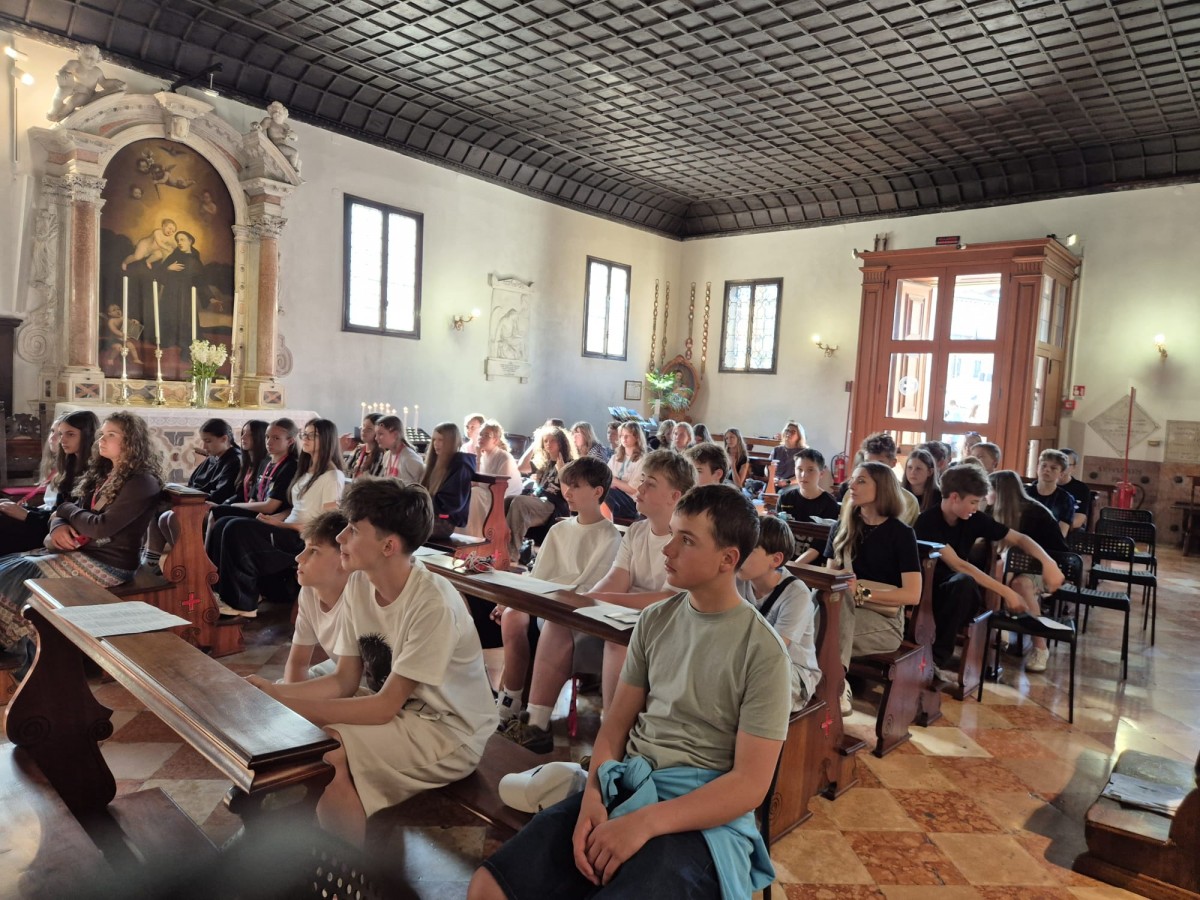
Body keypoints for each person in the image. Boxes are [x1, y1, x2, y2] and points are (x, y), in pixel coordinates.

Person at [470, 485, 788, 900]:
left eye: (686, 540)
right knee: (488, 887)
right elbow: (615, 726)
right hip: (627, 788)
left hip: (700, 815)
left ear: (728, 559)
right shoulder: (656, 620)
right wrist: (593, 798)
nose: (667, 549)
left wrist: (645, 823)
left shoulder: (762, 650)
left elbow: (749, 785)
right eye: (673, 534)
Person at [248, 479, 496, 846]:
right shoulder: (360, 584)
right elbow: (344, 680)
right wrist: (274, 695)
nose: (341, 537)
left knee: (330, 749)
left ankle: (343, 866)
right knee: (298, 731)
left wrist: (283, 702)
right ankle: (302, 841)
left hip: (450, 731)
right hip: (403, 713)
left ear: (388, 546)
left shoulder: (431, 604)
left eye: (353, 530)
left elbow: (383, 708)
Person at [503, 450, 694, 752]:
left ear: (675, 496)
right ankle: (536, 724)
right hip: (621, 617)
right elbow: (615, 580)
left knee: (618, 642)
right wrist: (580, 601)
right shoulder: (637, 531)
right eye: (642, 480)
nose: (639, 488)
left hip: (662, 627)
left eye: (650, 484)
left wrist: (598, 598)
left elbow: (667, 598)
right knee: (559, 621)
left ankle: (611, 741)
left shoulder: (685, 540)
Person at [0, 412, 162, 673]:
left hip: (109, 564)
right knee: (8, 564)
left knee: (20, 574)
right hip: (83, 552)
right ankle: (22, 651)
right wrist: (58, 525)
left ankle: (30, 657)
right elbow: (65, 512)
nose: (102, 440)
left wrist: (65, 511)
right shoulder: (105, 473)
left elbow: (100, 527)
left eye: (111, 435)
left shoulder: (141, 482)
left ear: (131, 441)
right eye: (102, 434)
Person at [493, 457, 623, 724]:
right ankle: (510, 701)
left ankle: (532, 714)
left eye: (576, 486)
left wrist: (546, 597)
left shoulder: (609, 535)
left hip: (570, 611)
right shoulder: (559, 528)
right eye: (567, 485)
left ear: (597, 491)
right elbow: (538, 575)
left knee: (538, 619)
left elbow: (591, 585)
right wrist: (511, 600)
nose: (567, 492)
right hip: (545, 600)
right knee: (512, 615)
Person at [914, 464, 1064, 674]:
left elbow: (1019, 538)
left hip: (960, 594)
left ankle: (939, 659)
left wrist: (1048, 563)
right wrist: (1006, 592)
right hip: (929, 591)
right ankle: (935, 661)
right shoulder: (927, 521)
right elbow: (958, 564)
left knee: (964, 586)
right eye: (973, 502)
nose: (976, 508)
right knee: (963, 581)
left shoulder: (973, 518)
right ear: (955, 497)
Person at [214, 418, 346, 617]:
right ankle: (219, 590)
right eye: (305, 434)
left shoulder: (332, 476)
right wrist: (275, 518)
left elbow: (328, 524)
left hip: (301, 538)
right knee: (224, 523)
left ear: (327, 439)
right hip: (287, 528)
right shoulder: (307, 470)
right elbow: (297, 507)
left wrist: (283, 525)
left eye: (312, 435)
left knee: (236, 528)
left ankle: (243, 604)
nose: (305, 438)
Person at [823, 463, 922, 714]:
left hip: (884, 622)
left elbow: (912, 594)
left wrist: (861, 592)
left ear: (883, 488)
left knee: (822, 632)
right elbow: (829, 580)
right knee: (824, 609)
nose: (851, 486)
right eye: (852, 480)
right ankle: (835, 682)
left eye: (861, 481)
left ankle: (833, 684)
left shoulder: (901, 534)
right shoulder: (841, 528)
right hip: (843, 613)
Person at [737, 516, 820, 712]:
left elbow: (775, 649)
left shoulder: (796, 593)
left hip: (793, 672)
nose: (739, 555)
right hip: (746, 662)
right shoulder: (737, 580)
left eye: (749, 549)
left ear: (775, 560)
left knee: (750, 682)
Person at [988, 470, 1068, 672]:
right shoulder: (990, 511)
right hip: (1009, 567)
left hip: (1044, 571)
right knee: (995, 572)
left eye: (989, 490)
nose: (985, 495)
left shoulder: (1036, 514)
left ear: (1000, 492)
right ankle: (995, 630)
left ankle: (1040, 647)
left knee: (1019, 584)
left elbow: (1058, 553)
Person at [142, 417, 242, 575]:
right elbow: (194, 483)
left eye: (208, 441)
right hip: (194, 501)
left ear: (224, 439)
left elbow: (220, 495)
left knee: (167, 513)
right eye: (203, 441)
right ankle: (154, 560)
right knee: (154, 506)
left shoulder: (234, 460)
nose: (204, 446)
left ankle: (187, 562)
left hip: (214, 507)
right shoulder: (213, 457)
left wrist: (187, 497)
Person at [0, 411, 98, 555]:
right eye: (60, 433)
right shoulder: (69, 465)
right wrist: (24, 511)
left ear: (87, 435)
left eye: (70, 434)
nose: (61, 439)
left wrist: (27, 515)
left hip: (59, 533)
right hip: (49, 524)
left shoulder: (93, 472)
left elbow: (72, 518)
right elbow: (57, 511)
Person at [281, 511, 351, 682]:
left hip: (368, 679)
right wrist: (288, 694)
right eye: (304, 547)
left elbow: (348, 681)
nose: (299, 557)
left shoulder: (359, 597)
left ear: (344, 557)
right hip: (338, 668)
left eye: (313, 551)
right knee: (277, 689)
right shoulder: (309, 591)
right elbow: (298, 663)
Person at [506, 426, 572, 559]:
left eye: (552, 440)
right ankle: (501, 544)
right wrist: (535, 443)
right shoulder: (545, 463)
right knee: (508, 500)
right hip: (539, 500)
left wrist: (561, 471)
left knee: (520, 502)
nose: (548, 444)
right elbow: (521, 467)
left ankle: (511, 553)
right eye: (545, 441)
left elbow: (568, 495)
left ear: (561, 443)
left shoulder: (570, 464)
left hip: (555, 506)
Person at [464, 421, 522, 537]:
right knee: (467, 492)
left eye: (486, 435)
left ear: (495, 440)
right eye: (481, 434)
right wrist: (478, 457)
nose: (481, 438)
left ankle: (476, 535)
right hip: (485, 492)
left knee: (475, 493)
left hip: (504, 495)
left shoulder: (504, 457)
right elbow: (474, 483)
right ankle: (464, 533)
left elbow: (501, 486)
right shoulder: (482, 456)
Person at [420, 422, 476, 539]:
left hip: (444, 522)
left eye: (441, 440)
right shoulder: (434, 462)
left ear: (451, 441)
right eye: (434, 440)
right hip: (428, 515)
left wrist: (420, 502)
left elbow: (451, 502)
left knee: (400, 525)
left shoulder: (460, 465)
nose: (436, 444)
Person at [157, 230, 205, 356]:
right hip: (171, 293)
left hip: (186, 295)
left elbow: (200, 281)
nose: (179, 242)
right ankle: (170, 340)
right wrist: (168, 268)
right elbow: (158, 274)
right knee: (170, 314)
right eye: (177, 240)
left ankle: (184, 342)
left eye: (182, 239)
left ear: (190, 241)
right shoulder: (174, 256)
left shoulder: (195, 258)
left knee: (186, 317)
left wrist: (210, 298)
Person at [47, 44, 125, 123]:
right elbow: (64, 70)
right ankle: (55, 110)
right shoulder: (75, 64)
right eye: (87, 57)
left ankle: (61, 115)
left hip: (87, 94)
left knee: (72, 102)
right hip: (75, 88)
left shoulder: (97, 71)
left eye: (94, 58)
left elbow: (104, 83)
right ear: (80, 56)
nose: (91, 60)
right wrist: (63, 73)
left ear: (98, 59)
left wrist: (116, 82)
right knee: (63, 92)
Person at [778, 447, 841, 523]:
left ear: (821, 473)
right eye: (800, 469)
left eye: (810, 470)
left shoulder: (829, 503)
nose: (803, 475)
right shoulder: (785, 498)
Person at [1029, 449, 1077, 537]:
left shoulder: (1066, 499)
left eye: (1053, 468)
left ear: (1061, 474)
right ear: (1037, 468)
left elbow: (1061, 534)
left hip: (1049, 543)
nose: (1047, 470)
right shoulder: (1024, 492)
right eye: (1044, 466)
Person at [605, 421, 645, 520]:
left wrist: (613, 480)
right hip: (613, 496)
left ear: (637, 437)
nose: (624, 438)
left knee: (607, 493)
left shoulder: (642, 460)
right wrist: (615, 482)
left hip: (630, 502)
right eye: (622, 435)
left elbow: (632, 489)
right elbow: (605, 478)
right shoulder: (615, 458)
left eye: (628, 435)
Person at [229, 420, 270, 505]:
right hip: (245, 506)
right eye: (243, 433)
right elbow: (239, 495)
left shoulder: (266, 464)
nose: (243, 437)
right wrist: (223, 505)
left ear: (262, 437)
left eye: (250, 434)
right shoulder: (246, 463)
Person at [375, 415, 425, 484]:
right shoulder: (387, 455)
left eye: (381, 434)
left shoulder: (409, 457)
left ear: (395, 435)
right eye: (376, 434)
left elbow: (423, 483)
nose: (376, 438)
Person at [1056, 448, 1092, 531]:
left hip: (1068, 530)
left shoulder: (1081, 488)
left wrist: (1056, 528)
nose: (1062, 468)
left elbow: (1079, 519)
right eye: (1059, 463)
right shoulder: (1040, 484)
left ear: (1074, 467)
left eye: (1066, 464)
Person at [902, 447, 941, 513]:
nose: (912, 472)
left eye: (918, 468)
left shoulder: (938, 497)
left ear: (929, 472)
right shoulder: (898, 493)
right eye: (910, 467)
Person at [770, 421, 807, 489]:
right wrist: (773, 478)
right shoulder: (777, 450)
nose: (788, 433)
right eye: (787, 430)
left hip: (793, 484)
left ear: (799, 436)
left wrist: (787, 482)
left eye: (793, 432)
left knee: (782, 493)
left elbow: (803, 475)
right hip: (776, 482)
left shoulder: (804, 453)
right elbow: (768, 467)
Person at [346, 413, 384, 478]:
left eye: (369, 429)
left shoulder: (381, 456)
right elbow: (346, 471)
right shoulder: (358, 450)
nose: (363, 430)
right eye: (363, 426)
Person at [723, 427, 753, 491]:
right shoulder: (723, 454)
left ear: (738, 439)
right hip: (721, 485)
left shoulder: (743, 458)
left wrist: (733, 466)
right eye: (726, 438)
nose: (729, 440)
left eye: (732, 437)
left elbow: (738, 485)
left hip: (733, 490)